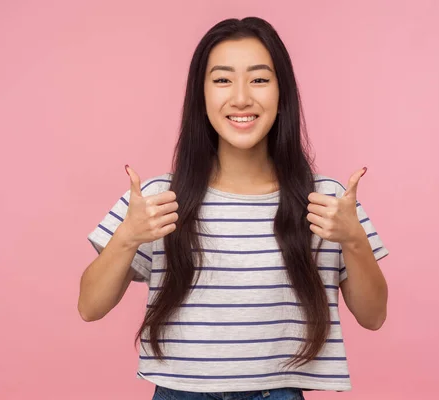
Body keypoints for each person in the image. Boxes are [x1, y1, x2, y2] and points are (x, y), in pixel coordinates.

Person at [78, 16, 389, 400]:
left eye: (259, 79)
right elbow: (89, 307)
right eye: (222, 79)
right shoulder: (157, 200)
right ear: (201, 95)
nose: (241, 97)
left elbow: (373, 317)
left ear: (282, 92)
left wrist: (354, 239)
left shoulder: (327, 202)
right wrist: (127, 236)